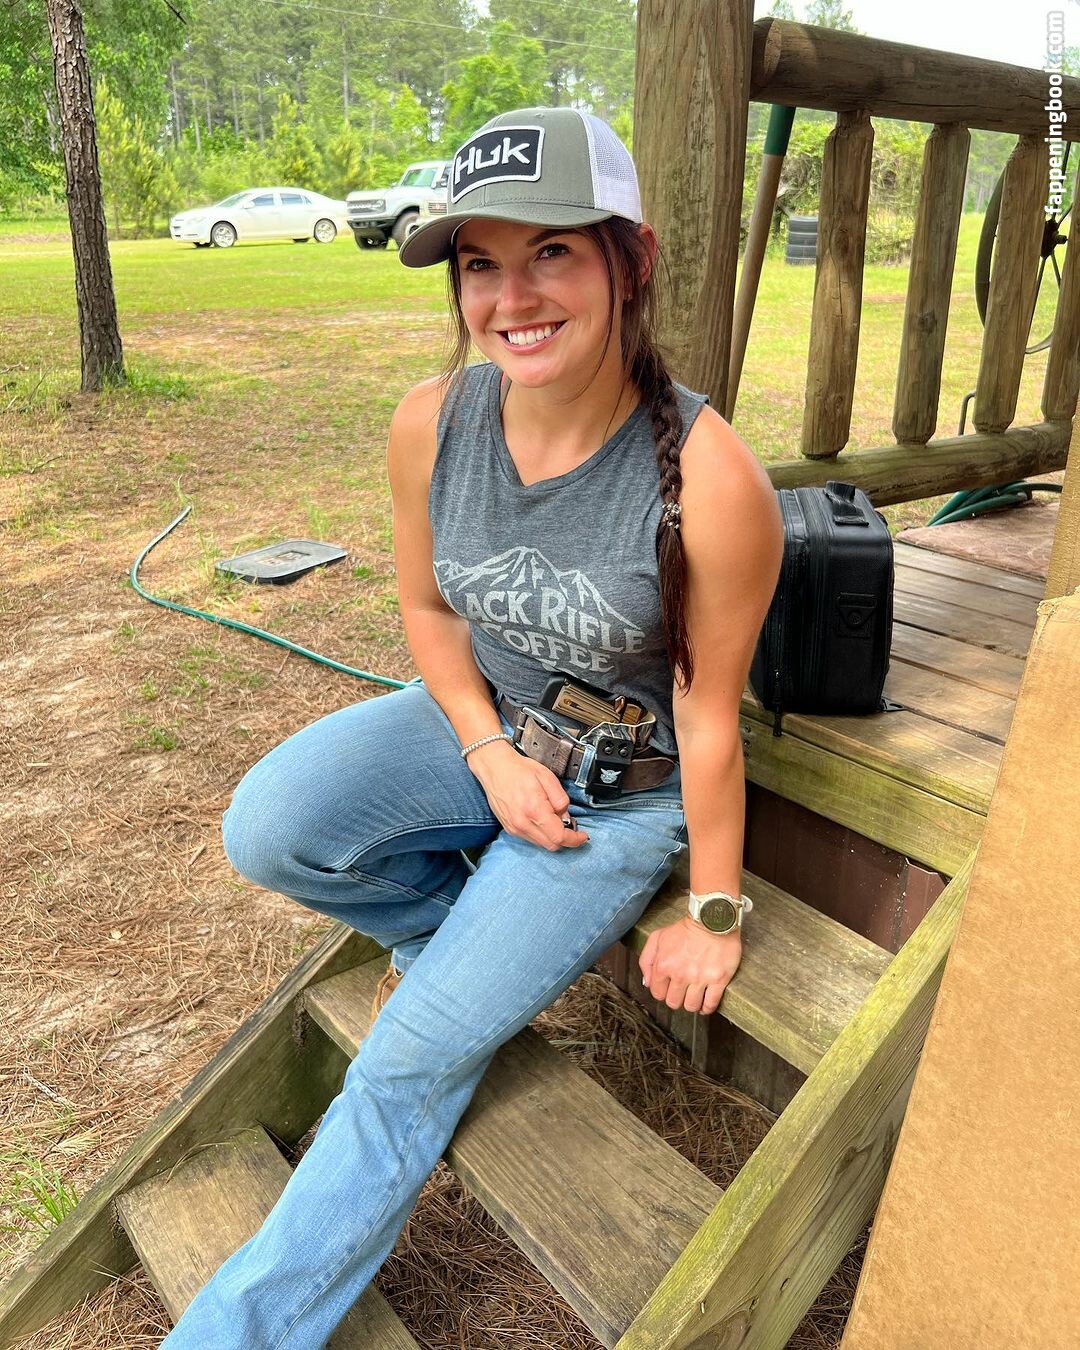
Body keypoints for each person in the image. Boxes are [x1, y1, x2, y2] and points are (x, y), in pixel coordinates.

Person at [160, 106, 783, 1348]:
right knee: (269, 826)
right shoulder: (432, 421)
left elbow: (708, 718)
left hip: (616, 799)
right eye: (480, 263)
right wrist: (486, 750)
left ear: (632, 261)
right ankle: (452, 941)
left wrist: (714, 909)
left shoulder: (712, 480)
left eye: (552, 252)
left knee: (403, 1067)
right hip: (483, 726)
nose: (513, 298)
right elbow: (428, 609)